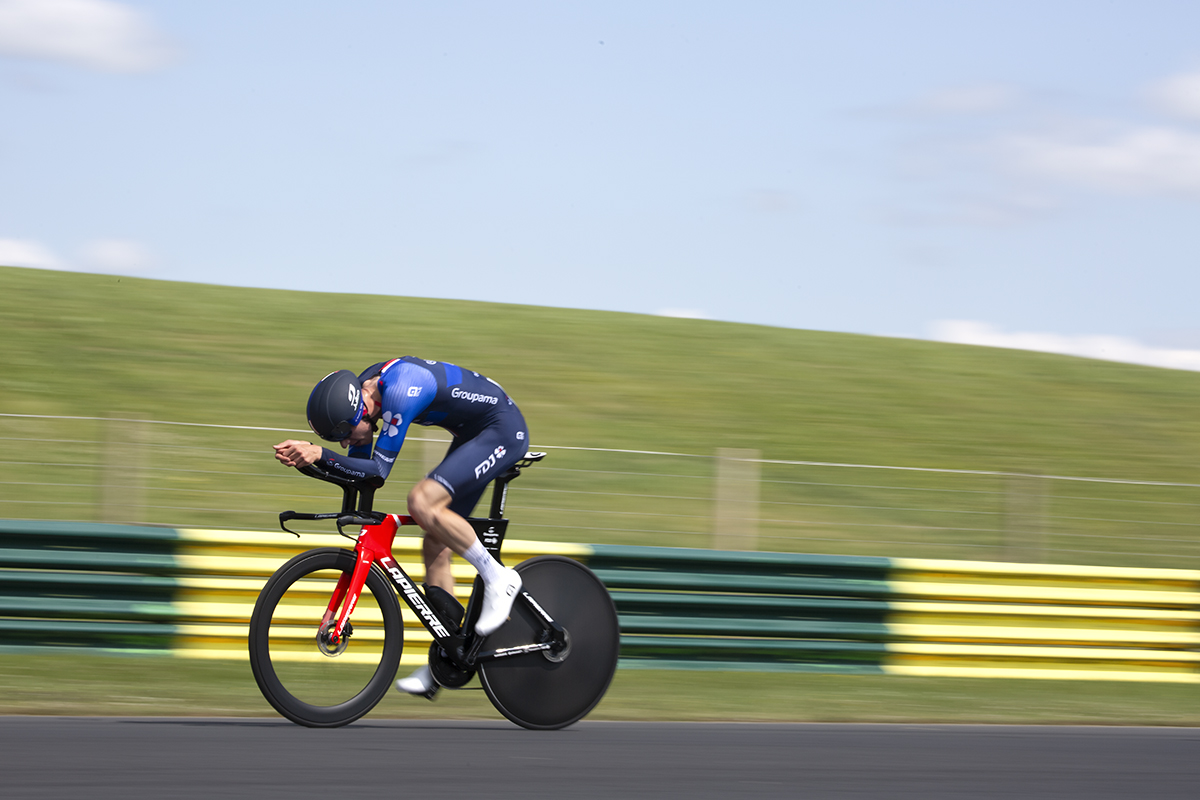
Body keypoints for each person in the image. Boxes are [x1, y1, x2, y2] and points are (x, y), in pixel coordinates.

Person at [273, 357, 529, 698]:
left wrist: (321, 454)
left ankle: (500, 578)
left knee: (422, 501)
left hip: (501, 430)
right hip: (473, 433)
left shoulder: (401, 392)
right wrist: (311, 463)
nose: (347, 443)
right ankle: (451, 656)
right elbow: (361, 475)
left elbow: (376, 472)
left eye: (345, 435)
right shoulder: (366, 395)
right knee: (434, 543)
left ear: (359, 413)